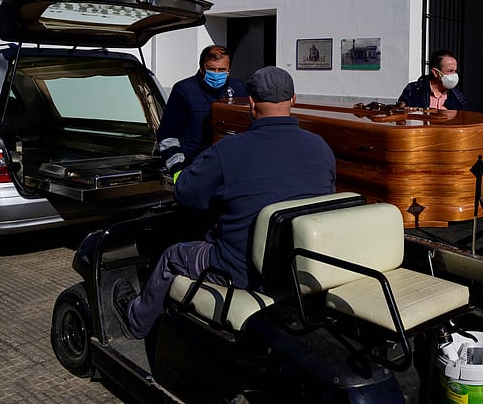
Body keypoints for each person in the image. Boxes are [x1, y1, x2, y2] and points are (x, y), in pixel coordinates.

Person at [114, 66, 336, 339]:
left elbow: (185, 193)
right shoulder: (321, 147)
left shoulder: (228, 151)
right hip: (297, 266)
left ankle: (136, 321)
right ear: (293, 100)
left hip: (239, 271)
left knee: (173, 256)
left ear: (251, 103)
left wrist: (179, 164)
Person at [157, 45, 248, 175]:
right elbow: (168, 136)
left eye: (221, 70)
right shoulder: (184, 90)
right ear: (201, 68)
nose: (216, 74)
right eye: (211, 69)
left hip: (231, 167)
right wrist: (178, 170)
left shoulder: (238, 88)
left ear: (229, 70)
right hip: (195, 167)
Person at [397, 49, 466, 110]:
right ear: (435, 72)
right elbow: (400, 114)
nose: (454, 75)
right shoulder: (413, 90)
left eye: (455, 71)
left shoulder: (457, 96)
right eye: (450, 71)